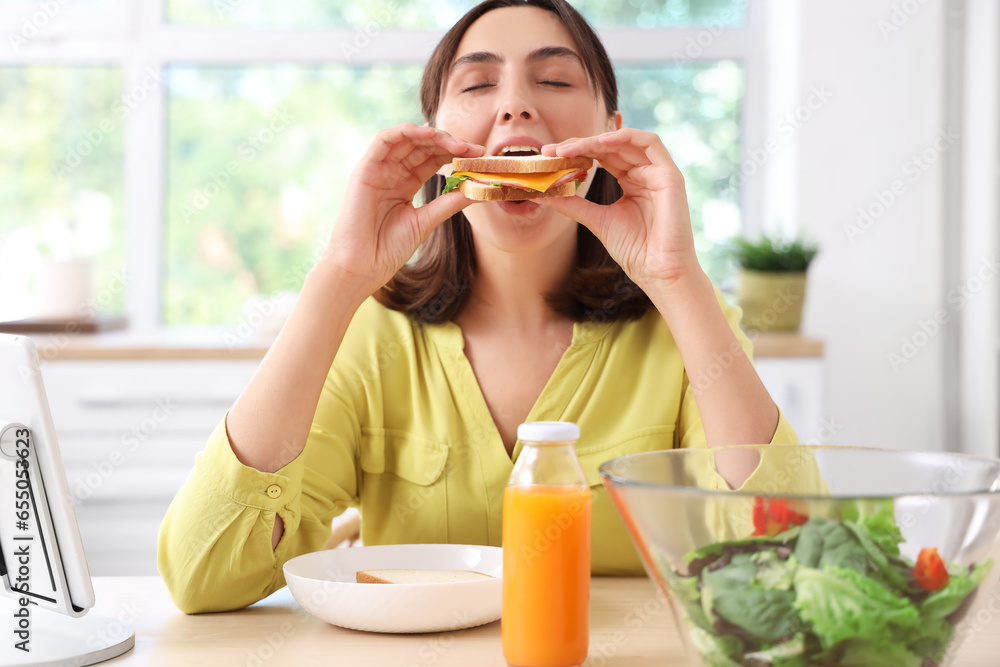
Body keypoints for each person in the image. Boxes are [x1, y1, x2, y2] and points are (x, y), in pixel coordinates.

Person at [158, 0, 812, 614]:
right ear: (435, 143)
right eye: (477, 86)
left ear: (611, 134)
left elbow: (793, 564)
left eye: (554, 81)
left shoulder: (687, 323)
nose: (516, 106)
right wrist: (339, 276)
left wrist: (675, 276)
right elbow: (203, 575)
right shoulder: (373, 331)